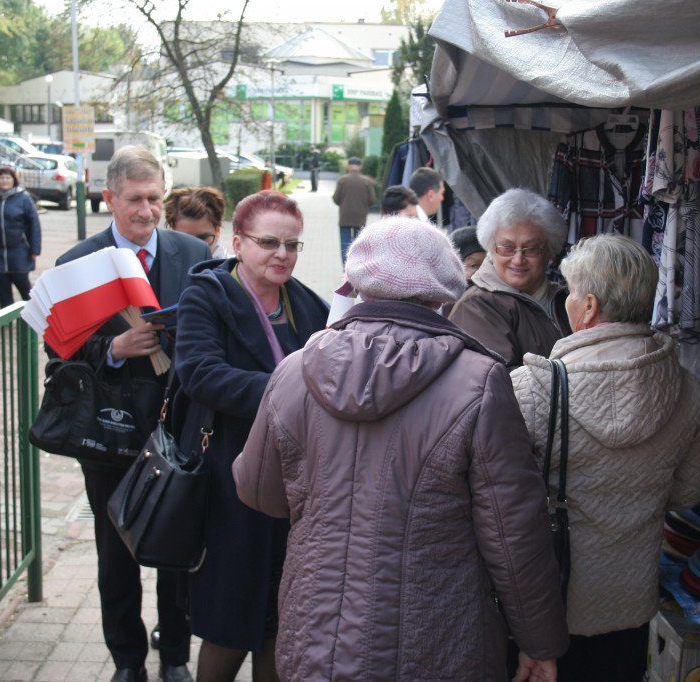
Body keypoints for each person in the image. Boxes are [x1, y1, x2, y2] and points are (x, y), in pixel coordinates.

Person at [233, 216, 569, 682]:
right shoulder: (479, 381)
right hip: (435, 639)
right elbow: (514, 534)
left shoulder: (293, 370)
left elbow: (259, 492)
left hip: (316, 635)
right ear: (440, 293)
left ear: (360, 286)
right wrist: (539, 641)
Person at [511, 234, 700, 682]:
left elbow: (501, 507)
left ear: (590, 307)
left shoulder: (533, 388)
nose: (567, 303)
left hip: (547, 610)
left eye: (571, 293)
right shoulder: (688, 390)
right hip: (631, 606)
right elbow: (689, 493)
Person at [55, 145, 210, 682]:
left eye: (154, 199)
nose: (146, 210)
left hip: (181, 425)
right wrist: (115, 348)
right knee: (114, 552)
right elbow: (59, 356)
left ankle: (174, 658)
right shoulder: (76, 264)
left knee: (179, 547)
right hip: (109, 431)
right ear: (109, 199)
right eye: (134, 200)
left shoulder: (194, 255)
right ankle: (126, 660)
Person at [173, 190, 329, 682]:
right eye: (269, 243)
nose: (282, 254)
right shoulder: (206, 295)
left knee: (282, 617)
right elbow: (201, 373)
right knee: (227, 618)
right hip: (228, 477)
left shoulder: (311, 306)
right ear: (237, 244)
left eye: (292, 245)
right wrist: (288, 389)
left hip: (294, 483)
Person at [448, 188, 571, 369]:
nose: (518, 260)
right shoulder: (476, 306)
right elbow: (498, 382)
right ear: (491, 247)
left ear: (549, 250)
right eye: (507, 247)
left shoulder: (566, 300)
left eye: (530, 248)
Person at [0, 166, 41, 307]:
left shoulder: (23, 198)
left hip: (19, 249)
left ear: (13, 180)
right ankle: (6, 317)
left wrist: (34, 249)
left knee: (22, 283)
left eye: (7, 178)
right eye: (1, 178)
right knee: (3, 286)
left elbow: (34, 224)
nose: (4, 181)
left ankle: (34, 314)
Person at [331, 156, 375, 264]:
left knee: (345, 244)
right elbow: (372, 199)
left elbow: (336, 199)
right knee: (358, 244)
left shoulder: (342, 180)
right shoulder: (366, 181)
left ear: (348, 166)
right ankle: (357, 266)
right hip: (360, 217)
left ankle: (346, 268)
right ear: (360, 167)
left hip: (345, 217)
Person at [164, 186, 227, 258]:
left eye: (203, 238)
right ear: (172, 231)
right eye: (186, 239)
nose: (195, 246)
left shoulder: (234, 267)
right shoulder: (161, 264)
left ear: (217, 231)